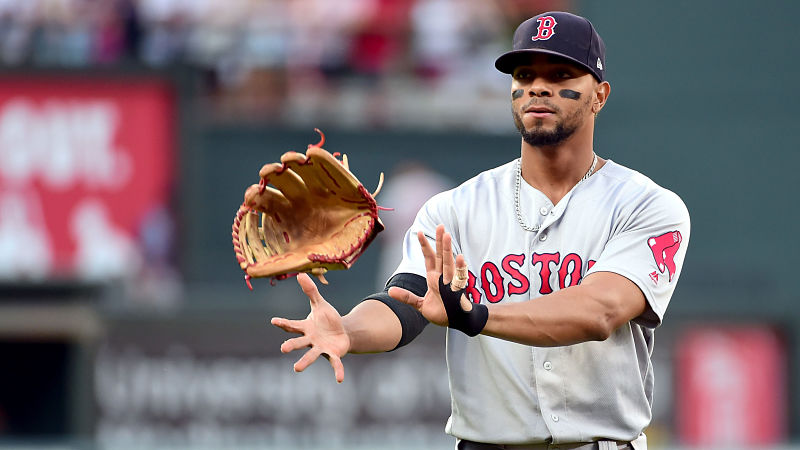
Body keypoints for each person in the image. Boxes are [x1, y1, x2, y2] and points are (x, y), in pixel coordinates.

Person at [271, 11, 690, 450]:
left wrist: (478, 316)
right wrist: (348, 331)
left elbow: (599, 311)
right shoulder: (456, 207)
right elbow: (408, 303)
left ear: (599, 95)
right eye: (524, 74)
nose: (538, 87)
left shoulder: (646, 206)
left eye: (561, 73)